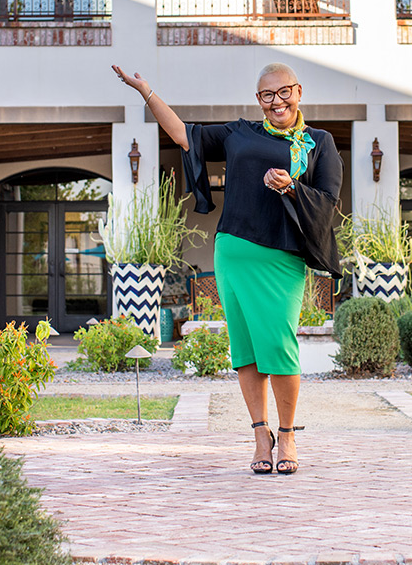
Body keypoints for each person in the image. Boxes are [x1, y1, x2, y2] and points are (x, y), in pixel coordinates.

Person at [111, 62, 343, 474]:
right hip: (234, 250)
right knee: (247, 351)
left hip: (281, 256)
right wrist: (146, 91)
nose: (276, 102)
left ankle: (287, 435)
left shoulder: (318, 141)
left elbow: (328, 200)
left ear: (298, 91)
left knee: (279, 346)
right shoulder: (240, 133)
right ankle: (259, 435)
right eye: (267, 96)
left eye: (283, 92)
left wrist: (291, 186)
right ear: (259, 100)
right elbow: (184, 134)